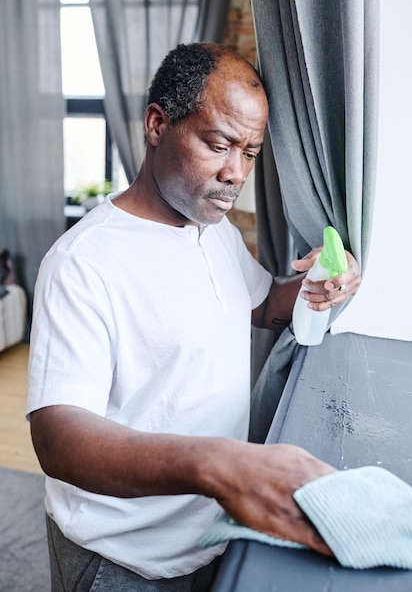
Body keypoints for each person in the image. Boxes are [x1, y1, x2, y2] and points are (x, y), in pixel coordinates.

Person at [27, 42, 361, 591]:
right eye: (219, 144)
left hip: (210, 535)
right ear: (158, 124)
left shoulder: (212, 231)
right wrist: (220, 463)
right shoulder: (83, 263)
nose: (236, 173)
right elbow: (58, 438)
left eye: (250, 153)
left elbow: (259, 304)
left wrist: (322, 283)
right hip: (122, 559)